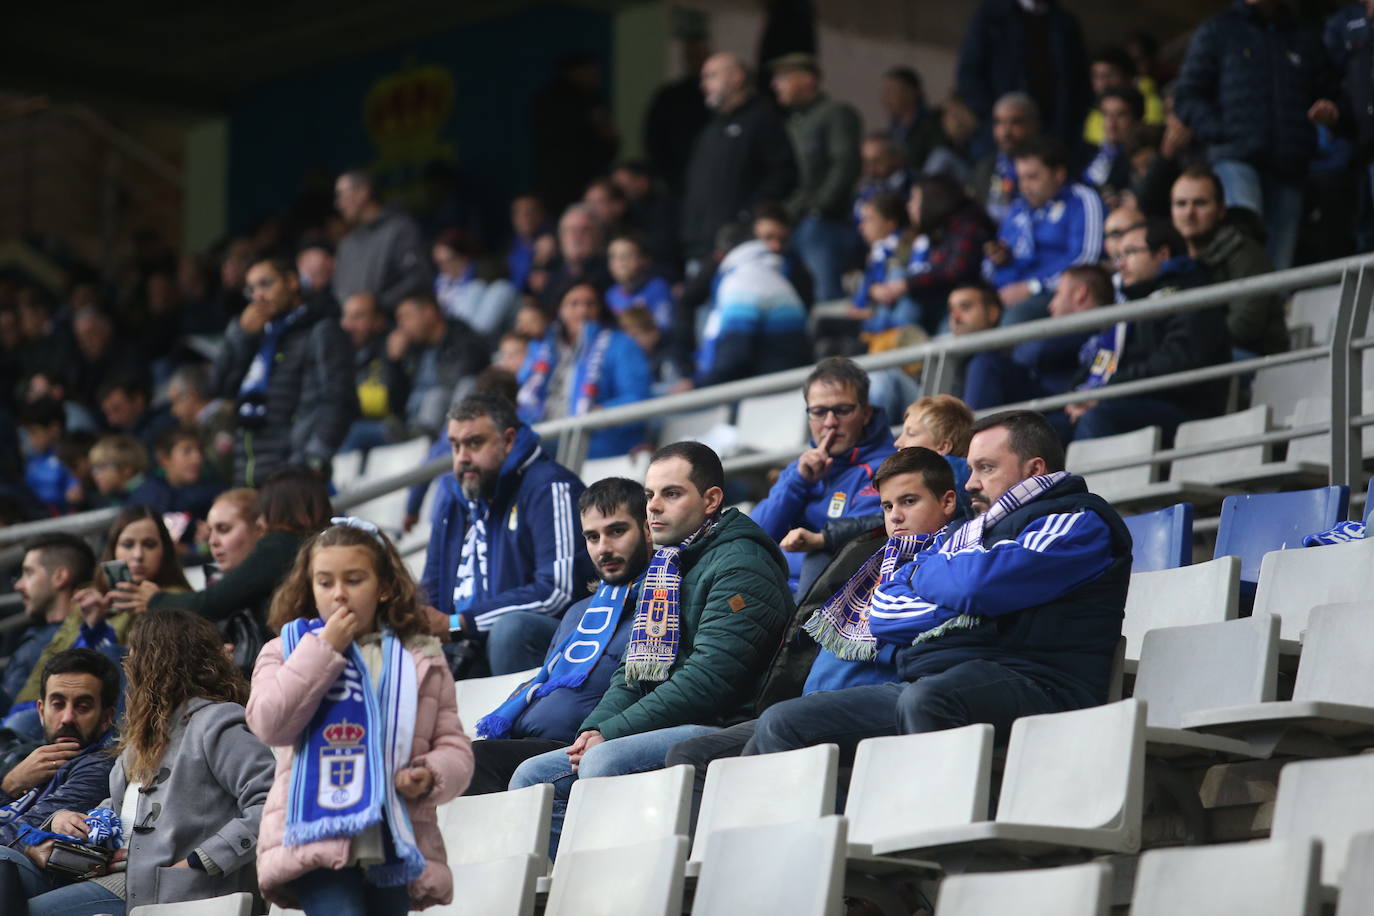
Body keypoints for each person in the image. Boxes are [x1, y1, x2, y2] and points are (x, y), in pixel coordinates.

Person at [748, 410, 1131, 758]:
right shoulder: (975, 532)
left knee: (929, 700)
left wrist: (923, 575)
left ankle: (936, 831)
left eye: (985, 468)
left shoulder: (1078, 521)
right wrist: (943, 581)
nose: (971, 484)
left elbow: (977, 585)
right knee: (783, 723)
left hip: (1044, 684)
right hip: (951, 679)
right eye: (971, 469)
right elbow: (885, 610)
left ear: (1034, 470)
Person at [508, 441, 794, 858]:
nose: (653, 507)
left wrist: (612, 734)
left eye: (671, 494)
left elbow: (710, 680)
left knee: (604, 764)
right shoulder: (666, 566)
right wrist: (593, 729)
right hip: (676, 721)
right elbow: (631, 672)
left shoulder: (741, 564)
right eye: (649, 496)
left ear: (711, 499)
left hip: (725, 725)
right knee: (531, 777)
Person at [667, 447, 960, 809]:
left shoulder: (951, 557)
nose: (895, 516)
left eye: (909, 501)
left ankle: (832, 844)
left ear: (947, 502)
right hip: (811, 701)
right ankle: (713, 856)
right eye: (886, 506)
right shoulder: (872, 559)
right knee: (688, 756)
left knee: (774, 734)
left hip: (880, 695)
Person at [248, 520, 474, 914]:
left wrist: (429, 772)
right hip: (315, 837)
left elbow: (455, 746)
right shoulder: (285, 649)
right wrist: (323, 650)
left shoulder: (419, 657)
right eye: (324, 582)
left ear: (384, 587)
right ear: (309, 586)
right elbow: (270, 723)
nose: (338, 595)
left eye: (354, 580)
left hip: (393, 836)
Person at [20, 612, 274, 914]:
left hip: (176, 889)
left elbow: (271, 801)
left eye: (135, 656)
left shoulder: (216, 722)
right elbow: (118, 810)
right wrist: (70, 821)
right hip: (119, 876)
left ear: (157, 663)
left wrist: (203, 859)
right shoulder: (143, 735)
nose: (128, 668)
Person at [466, 477, 652, 794]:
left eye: (616, 531)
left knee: (471, 761)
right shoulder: (579, 612)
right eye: (592, 537)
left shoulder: (663, 603)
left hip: (579, 747)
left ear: (648, 529)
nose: (603, 548)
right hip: (528, 740)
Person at [422, 393, 595, 675]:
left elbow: (557, 590)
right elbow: (431, 588)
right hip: (465, 642)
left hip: (543, 644)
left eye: (474, 443)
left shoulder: (549, 486)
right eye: (455, 446)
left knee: (510, 630)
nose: (462, 458)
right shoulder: (454, 500)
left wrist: (460, 624)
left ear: (509, 440)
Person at [1172, 0, 1338, 271]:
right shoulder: (1218, 30)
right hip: (1236, 158)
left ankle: (1271, 313)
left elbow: (1329, 89)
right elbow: (1187, 95)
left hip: (1289, 163)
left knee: (1278, 263)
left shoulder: (1303, 35)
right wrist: (1223, 133)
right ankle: (1242, 310)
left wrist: (1329, 108)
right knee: (1244, 246)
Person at [5, 508, 191, 738]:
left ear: (165, 552)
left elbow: (138, 666)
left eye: (149, 545)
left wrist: (154, 605)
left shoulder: (178, 600)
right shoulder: (89, 598)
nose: (137, 555)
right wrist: (91, 623)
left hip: (114, 718)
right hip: (44, 706)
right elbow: (52, 658)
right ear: (113, 551)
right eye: (128, 544)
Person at [130, 469, 334, 674]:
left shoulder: (279, 545)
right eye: (210, 532)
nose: (213, 542)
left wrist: (156, 600)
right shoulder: (317, 545)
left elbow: (211, 603)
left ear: (259, 528)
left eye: (224, 529)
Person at [1065, 221, 1231, 441]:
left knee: (1097, 418)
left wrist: (1105, 393)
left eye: (1130, 253)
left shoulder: (1192, 298)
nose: (1121, 265)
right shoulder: (1131, 307)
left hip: (1181, 410)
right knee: (1042, 431)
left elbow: (1174, 363)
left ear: (1162, 254)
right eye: (1118, 257)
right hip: (1124, 400)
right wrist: (1079, 397)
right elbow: (1100, 363)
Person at [752, 358, 896, 593]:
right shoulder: (800, 469)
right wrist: (799, 482)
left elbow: (849, 555)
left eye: (842, 410)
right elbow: (753, 536)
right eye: (819, 412)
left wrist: (770, 558)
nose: (830, 423)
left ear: (866, 413)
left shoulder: (886, 470)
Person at [211, 256, 357, 486]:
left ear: (291, 281)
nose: (258, 295)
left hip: (294, 467)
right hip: (247, 469)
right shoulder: (255, 335)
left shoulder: (321, 330)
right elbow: (219, 387)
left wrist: (315, 456)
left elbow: (338, 398)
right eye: (251, 289)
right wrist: (240, 336)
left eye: (266, 284)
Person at [0, 650, 120, 900]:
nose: (67, 718)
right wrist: (9, 785)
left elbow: (20, 836)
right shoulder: (26, 761)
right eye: (58, 704)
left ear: (106, 717)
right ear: (41, 711)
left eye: (82, 706)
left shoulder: (99, 767)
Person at [680, 52, 798, 271]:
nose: (704, 84)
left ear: (736, 77)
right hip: (701, 245)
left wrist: (747, 214)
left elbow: (782, 172)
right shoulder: (711, 128)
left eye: (711, 76)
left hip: (742, 245)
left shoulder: (762, 118)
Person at [516, 282, 652, 459]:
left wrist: (602, 411)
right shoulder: (541, 347)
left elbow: (639, 399)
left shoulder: (621, 344)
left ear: (600, 309)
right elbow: (525, 397)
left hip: (597, 443)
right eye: (573, 304)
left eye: (590, 304)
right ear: (560, 310)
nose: (582, 311)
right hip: (545, 439)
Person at [770, 53, 862, 302]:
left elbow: (845, 164)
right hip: (794, 222)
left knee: (827, 294)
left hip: (823, 224)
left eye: (783, 78)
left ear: (807, 80)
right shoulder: (791, 123)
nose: (775, 85)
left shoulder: (835, 113)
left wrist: (819, 208)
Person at [1170, 168, 1287, 357]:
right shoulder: (1172, 257)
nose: (1189, 213)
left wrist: (1192, 345)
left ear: (1221, 210)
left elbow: (1246, 326)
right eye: (1181, 204)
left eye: (1200, 203)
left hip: (1254, 359)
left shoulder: (1245, 251)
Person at [984, 137, 1105, 320]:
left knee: (1015, 318)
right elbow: (987, 266)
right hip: (1006, 294)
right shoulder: (1017, 208)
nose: (1024, 186)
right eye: (1021, 178)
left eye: (1032, 177)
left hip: (1055, 294)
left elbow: (1087, 258)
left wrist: (1033, 287)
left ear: (1058, 174)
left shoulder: (1081, 200)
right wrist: (999, 260)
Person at [868, 174, 996, 335]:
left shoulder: (967, 225)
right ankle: (881, 337)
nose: (909, 207)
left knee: (909, 294)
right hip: (942, 302)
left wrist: (906, 284)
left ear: (932, 201)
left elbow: (953, 271)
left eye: (914, 199)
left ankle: (890, 341)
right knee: (899, 276)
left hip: (967, 302)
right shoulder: (937, 230)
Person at [957, 0, 1091, 149]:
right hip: (999, 135)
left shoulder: (1064, 22)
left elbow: (1079, 82)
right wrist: (996, 118)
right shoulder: (991, 14)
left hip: (1055, 132)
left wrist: (1067, 124)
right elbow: (969, 74)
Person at [695, 230, 809, 387]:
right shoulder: (773, 275)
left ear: (720, 256)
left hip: (766, 391)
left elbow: (735, 353)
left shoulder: (743, 281)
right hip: (783, 385)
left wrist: (697, 385)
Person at [4, 536, 97, 716]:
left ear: (60, 577)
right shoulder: (32, 634)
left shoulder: (87, 638)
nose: (18, 585)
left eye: (29, 573)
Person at [387, 293, 491, 440]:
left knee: (436, 396)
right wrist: (394, 363)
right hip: (412, 418)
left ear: (429, 313)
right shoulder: (411, 350)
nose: (401, 326)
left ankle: (429, 439)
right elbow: (393, 402)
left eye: (406, 317)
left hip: (444, 416)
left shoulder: (462, 338)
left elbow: (459, 380)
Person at [332, 169, 433, 311]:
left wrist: (377, 305)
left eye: (341, 195)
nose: (338, 204)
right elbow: (338, 290)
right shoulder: (347, 243)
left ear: (362, 193)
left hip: (392, 324)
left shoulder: (400, 229)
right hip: (352, 328)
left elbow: (418, 278)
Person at [338, 291, 400, 454]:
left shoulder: (391, 348)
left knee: (345, 433)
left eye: (358, 317)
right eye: (346, 317)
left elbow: (380, 402)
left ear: (378, 321)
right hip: (359, 426)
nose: (348, 325)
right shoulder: (338, 355)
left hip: (387, 426)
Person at [432, 228, 519, 340]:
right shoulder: (441, 281)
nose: (444, 267)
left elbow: (479, 328)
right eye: (439, 262)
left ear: (463, 256)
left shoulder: (483, 277)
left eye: (448, 260)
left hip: (484, 339)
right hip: (448, 339)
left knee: (477, 290)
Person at [971, 92, 1041, 225]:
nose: (1006, 132)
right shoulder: (986, 166)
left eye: (1015, 122)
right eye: (999, 122)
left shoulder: (1046, 167)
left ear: (1033, 125)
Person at [127, 427, 223, 521]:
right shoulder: (146, 496)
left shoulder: (215, 492)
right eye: (187, 451)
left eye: (200, 451)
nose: (197, 459)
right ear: (164, 459)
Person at [166, 363, 237, 484]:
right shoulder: (202, 423)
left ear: (191, 397)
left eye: (175, 402)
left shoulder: (226, 418)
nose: (173, 411)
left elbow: (220, 465)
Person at [1083, 86, 1145, 206]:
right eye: (1106, 114)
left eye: (1120, 115)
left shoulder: (1141, 159)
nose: (1111, 123)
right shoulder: (1087, 152)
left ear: (1136, 119)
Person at [539, 204, 613, 306]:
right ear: (561, 237)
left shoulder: (612, 272)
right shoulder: (551, 276)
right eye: (570, 230)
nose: (576, 236)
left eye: (585, 230)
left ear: (599, 236)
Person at [606, 232, 676, 333]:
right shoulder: (610, 294)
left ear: (644, 260)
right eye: (614, 256)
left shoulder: (658, 288)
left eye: (627, 256)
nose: (621, 262)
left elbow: (664, 328)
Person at [881, 66, 945, 174]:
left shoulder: (933, 124)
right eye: (884, 92)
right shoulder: (895, 128)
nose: (885, 98)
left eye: (891, 91)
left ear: (911, 92)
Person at [18, 398, 78, 514]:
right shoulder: (32, 463)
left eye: (34, 432)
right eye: (28, 433)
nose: (30, 439)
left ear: (54, 429)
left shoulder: (74, 456)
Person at [96, 370, 174, 452]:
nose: (112, 421)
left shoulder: (165, 424)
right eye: (107, 413)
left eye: (116, 409)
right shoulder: (126, 434)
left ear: (138, 400)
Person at [506, 194, 554, 293]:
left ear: (541, 214)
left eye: (530, 212)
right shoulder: (508, 245)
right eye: (519, 212)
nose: (525, 217)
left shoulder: (552, 241)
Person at [87, 434, 148, 508]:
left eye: (101, 467)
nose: (94, 474)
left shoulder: (149, 497)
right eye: (94, 468)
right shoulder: (115, 497)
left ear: (126, 469)